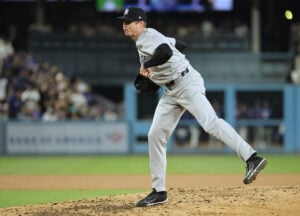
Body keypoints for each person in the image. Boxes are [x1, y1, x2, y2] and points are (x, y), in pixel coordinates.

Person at [117, 7, 267, 207]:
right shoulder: (149, 40)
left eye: (129, 21)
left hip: (186, 84)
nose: (124, 25)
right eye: (124, 21)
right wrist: (154, 75)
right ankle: (159, 192)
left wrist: (148, 65)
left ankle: (252, 158)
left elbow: (166, 51)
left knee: (210, 123)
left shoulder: (146, 36)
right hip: (171, 91)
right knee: (155, 135)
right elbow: (179, 45)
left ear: (141, 23)